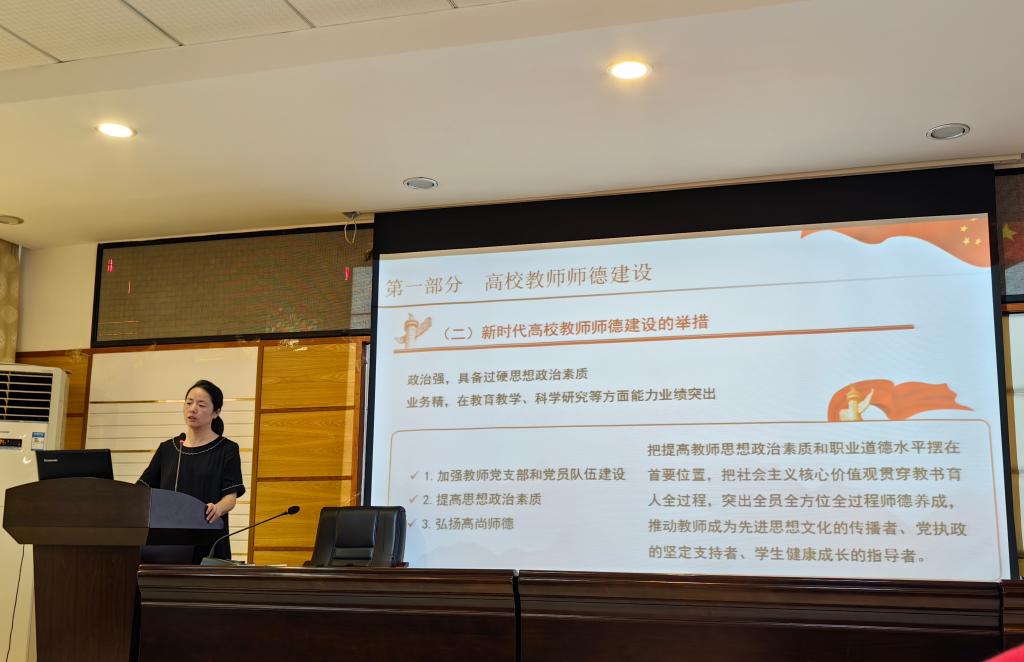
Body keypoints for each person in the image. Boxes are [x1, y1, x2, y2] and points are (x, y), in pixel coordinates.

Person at [137, 379, 245, 562]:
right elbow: (142, 489)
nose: (193, 409)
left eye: (201, 405)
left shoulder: (227, 449)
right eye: (189, 403)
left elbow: (230, 497)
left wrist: (217, 509)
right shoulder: (168, 449)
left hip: (208, 539)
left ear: (216, 412)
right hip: (166, 544)